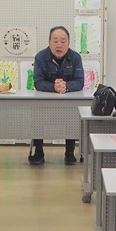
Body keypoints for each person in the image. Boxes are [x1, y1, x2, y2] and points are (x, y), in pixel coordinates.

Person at [29, 26, 84, 166]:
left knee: (72, 116)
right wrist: (54, 87)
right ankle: (38, 152)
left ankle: (70, 152)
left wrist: (66, 86)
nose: (59, 45)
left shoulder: (75, 57)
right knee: (37, 116)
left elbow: (80, 82)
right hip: (44, 104)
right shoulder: (40, 57)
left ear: (68, 43)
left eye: (63, 41)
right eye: (55, 41)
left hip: (68, 104)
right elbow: (38, 82)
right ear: (49, 42)